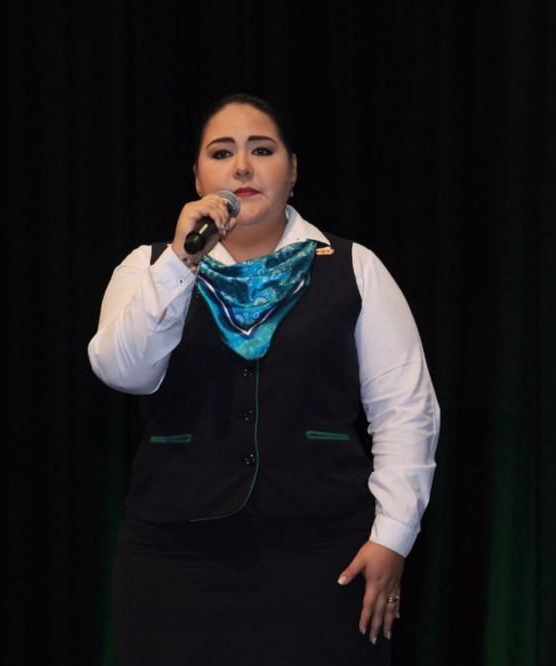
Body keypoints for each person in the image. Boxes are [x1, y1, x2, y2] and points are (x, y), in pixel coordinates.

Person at [88, 93, 440, 665]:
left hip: (323, 555)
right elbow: (124, 370)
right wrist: (181, 261)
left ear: (293, 170)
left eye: (262, 150)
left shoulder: (354, 267)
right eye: (221, 152)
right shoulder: (150, 267)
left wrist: (393, 535)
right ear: (198, 176)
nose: (242, 167)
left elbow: (406, 409)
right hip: (174, 560)